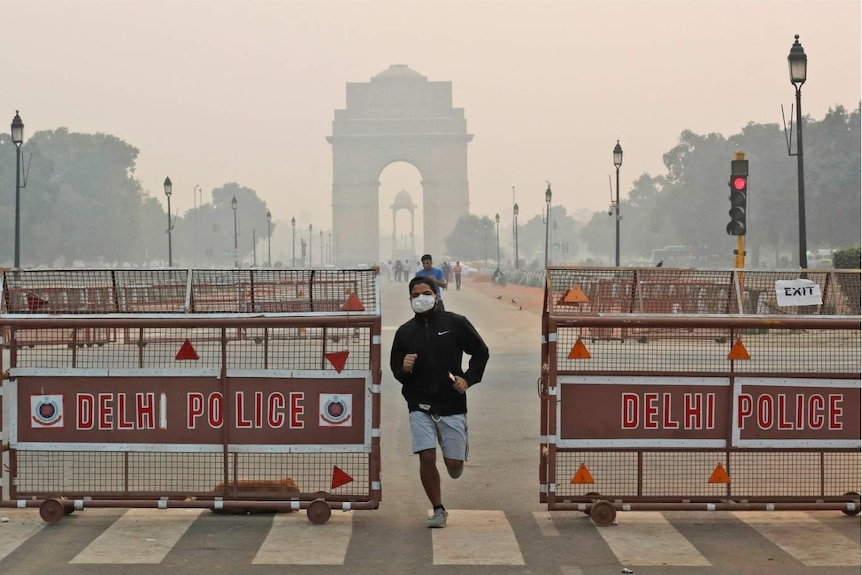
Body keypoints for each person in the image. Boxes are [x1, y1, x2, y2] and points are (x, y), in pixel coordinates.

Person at [390, 276, 489, 528]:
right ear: (410, 299)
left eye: (425, 293)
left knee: (454, 467)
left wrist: (467, 379)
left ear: (436, 295)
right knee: (426, 457)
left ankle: (457, 455)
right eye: (415, 295)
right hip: (419, 404)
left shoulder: (455, 323)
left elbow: (480, 352)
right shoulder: (404, 332)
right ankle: (438, 509)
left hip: (451, 403)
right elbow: (396, 370)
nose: (420, 298)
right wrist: (404, 368)